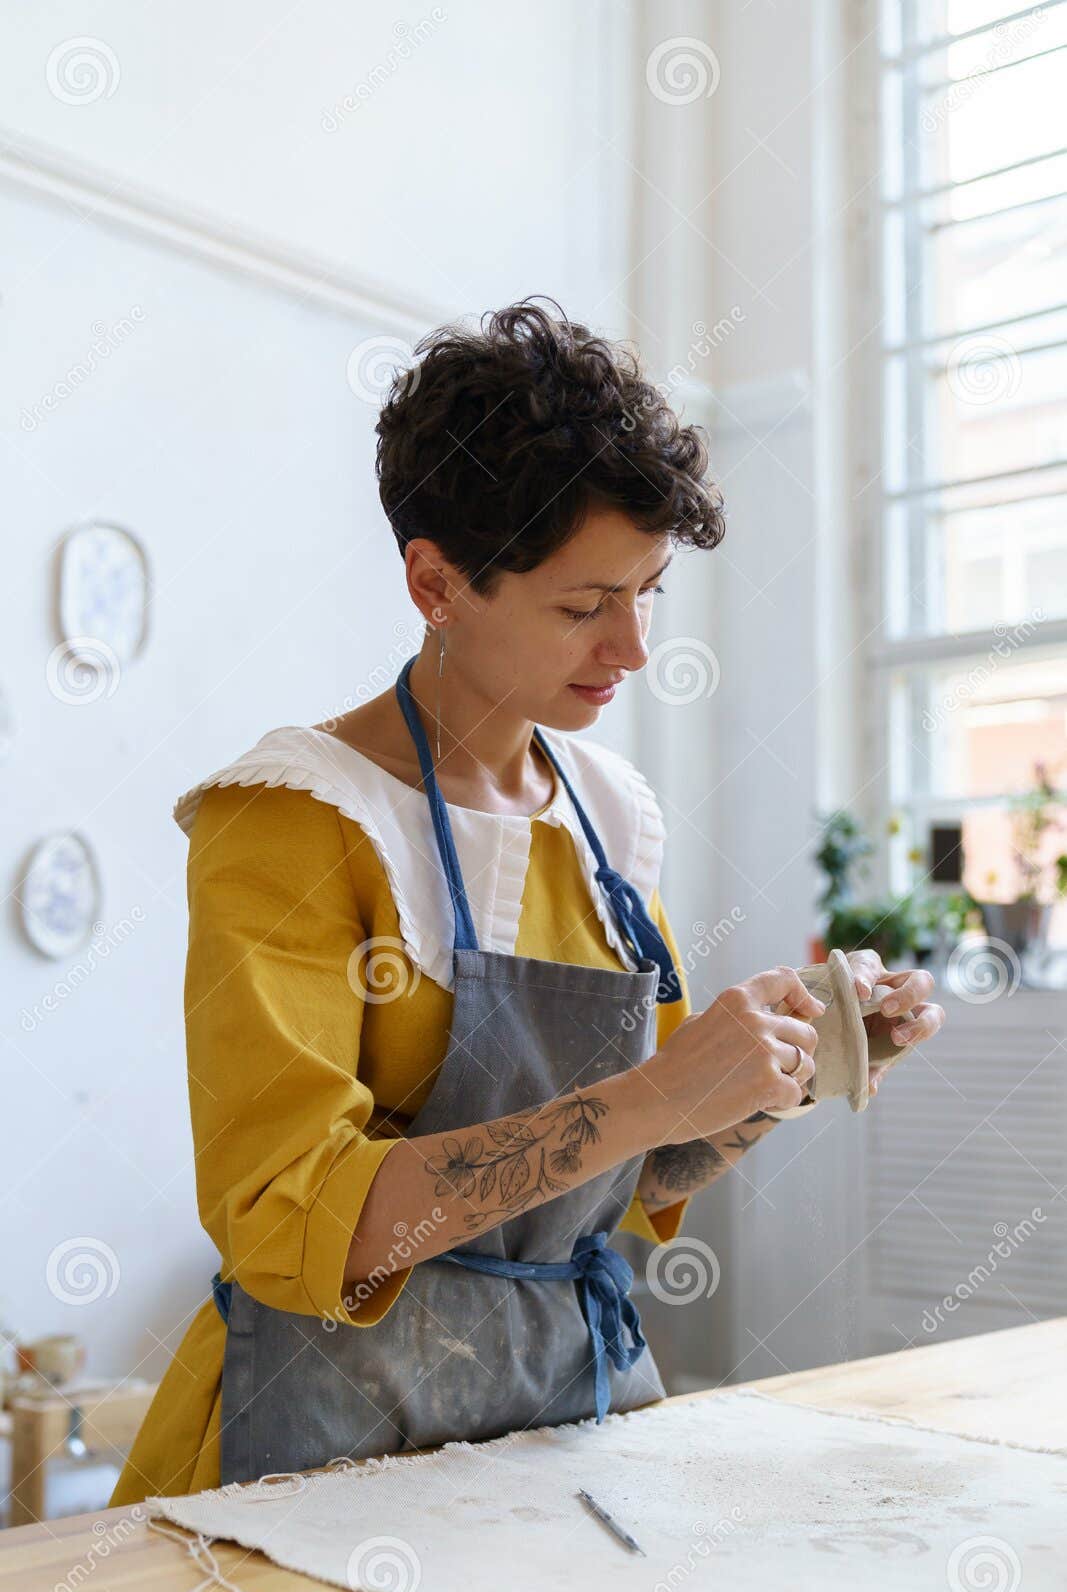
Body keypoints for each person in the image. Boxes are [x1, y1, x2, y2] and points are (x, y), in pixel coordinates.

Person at [109, 299, 944, 1505]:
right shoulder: (290, 820)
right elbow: (294, 1222)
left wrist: (788, 1066)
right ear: (435, 583)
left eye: (647, 593)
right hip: (318, 1449)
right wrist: (657, 1089)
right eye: (582, 604)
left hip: (556, 1429)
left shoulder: (607, 815)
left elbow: (627, 1175)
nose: (633, 648)